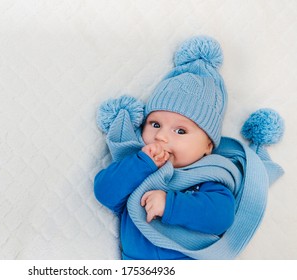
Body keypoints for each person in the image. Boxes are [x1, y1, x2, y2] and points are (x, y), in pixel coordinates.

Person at [94, 36, 284, 259]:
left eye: (180, 131)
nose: (161, 136)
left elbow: (220, 217)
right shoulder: (137, 167)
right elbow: (104, 192)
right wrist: (140, 163)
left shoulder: (210, 175)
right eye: (155, 124)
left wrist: (170, 204)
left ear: (208, 147)